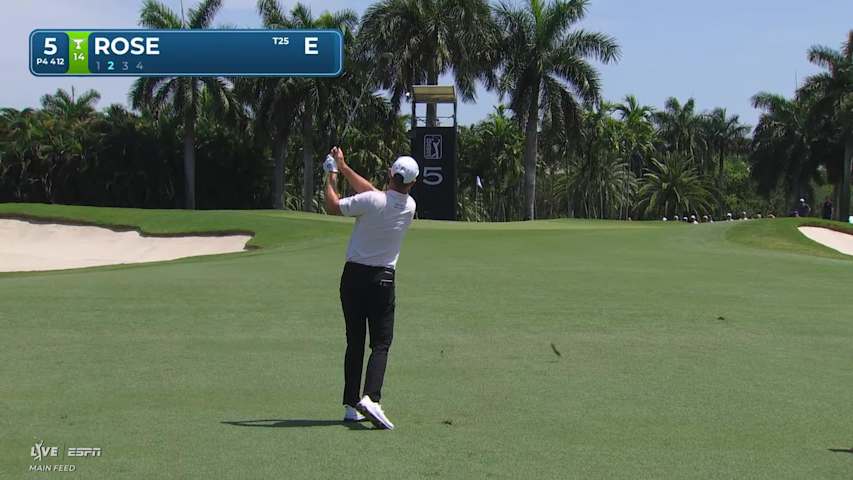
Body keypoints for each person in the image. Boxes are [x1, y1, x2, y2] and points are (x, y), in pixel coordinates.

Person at [323, 146, 418, 430]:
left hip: (351, 278)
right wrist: (343, 165)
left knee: (355, 342)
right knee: (380, 343)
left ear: (390, 173)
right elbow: (376, 194)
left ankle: (352, 405)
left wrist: (331, 174)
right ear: (412, 183)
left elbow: (333, 205)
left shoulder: (372, 201)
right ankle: (371, 398)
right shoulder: (409, 206)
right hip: (382, 280)